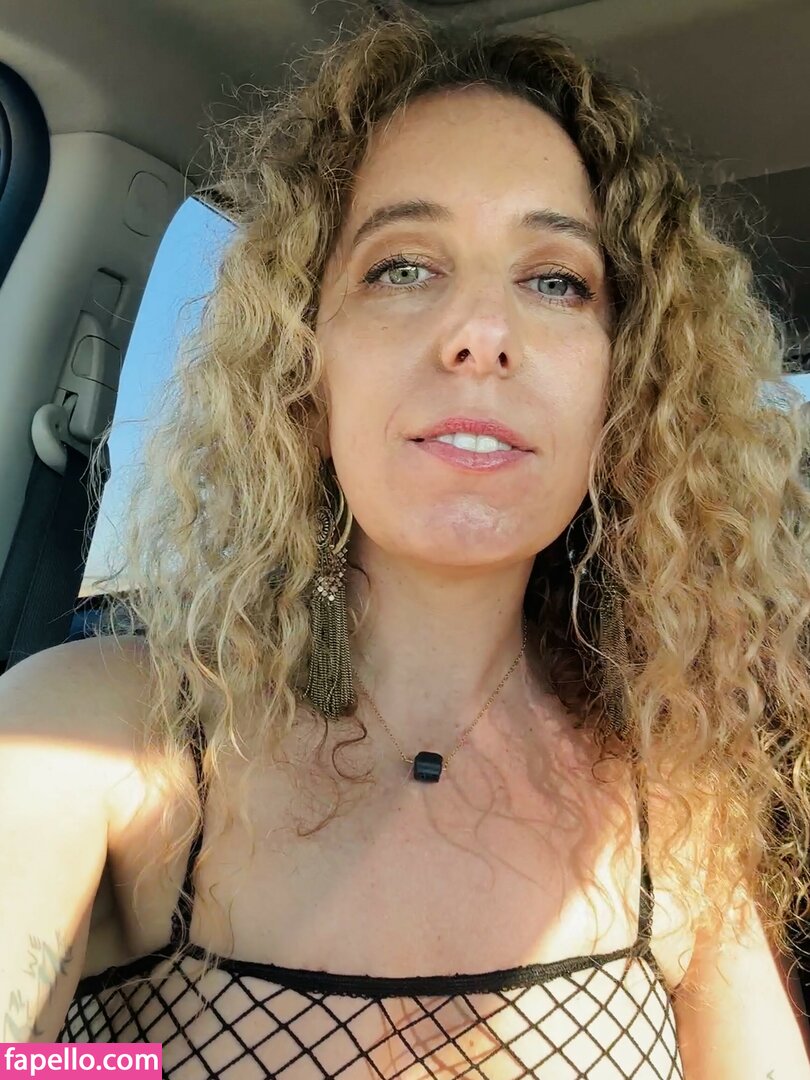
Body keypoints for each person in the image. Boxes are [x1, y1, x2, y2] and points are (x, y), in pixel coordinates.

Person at [2, 6, 810, 1077]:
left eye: (556, 281)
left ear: (626, 387)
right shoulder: (94, 736)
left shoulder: (678, 801)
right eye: (402, 268)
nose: (481, 333)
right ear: (306, 365)